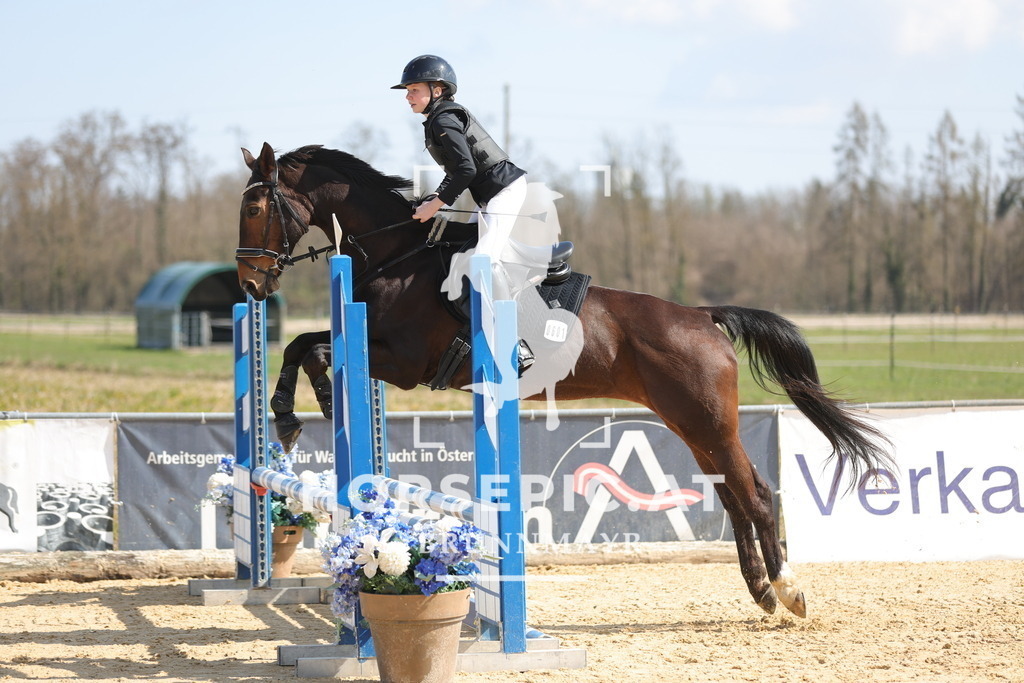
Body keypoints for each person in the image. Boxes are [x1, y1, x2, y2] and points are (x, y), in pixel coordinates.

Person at [393, 54, 542, 374]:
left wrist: (437, 203)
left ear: (438, 89)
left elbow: (465, 169)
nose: (407, 96)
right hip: (487, 196)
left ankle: (515, 347)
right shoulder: (440, 117)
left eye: (413, 89)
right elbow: (462, 172)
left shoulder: (444, 118)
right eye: (407, 90)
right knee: (460, 251)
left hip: (502, 192)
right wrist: (436, 197)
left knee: (478, 264)